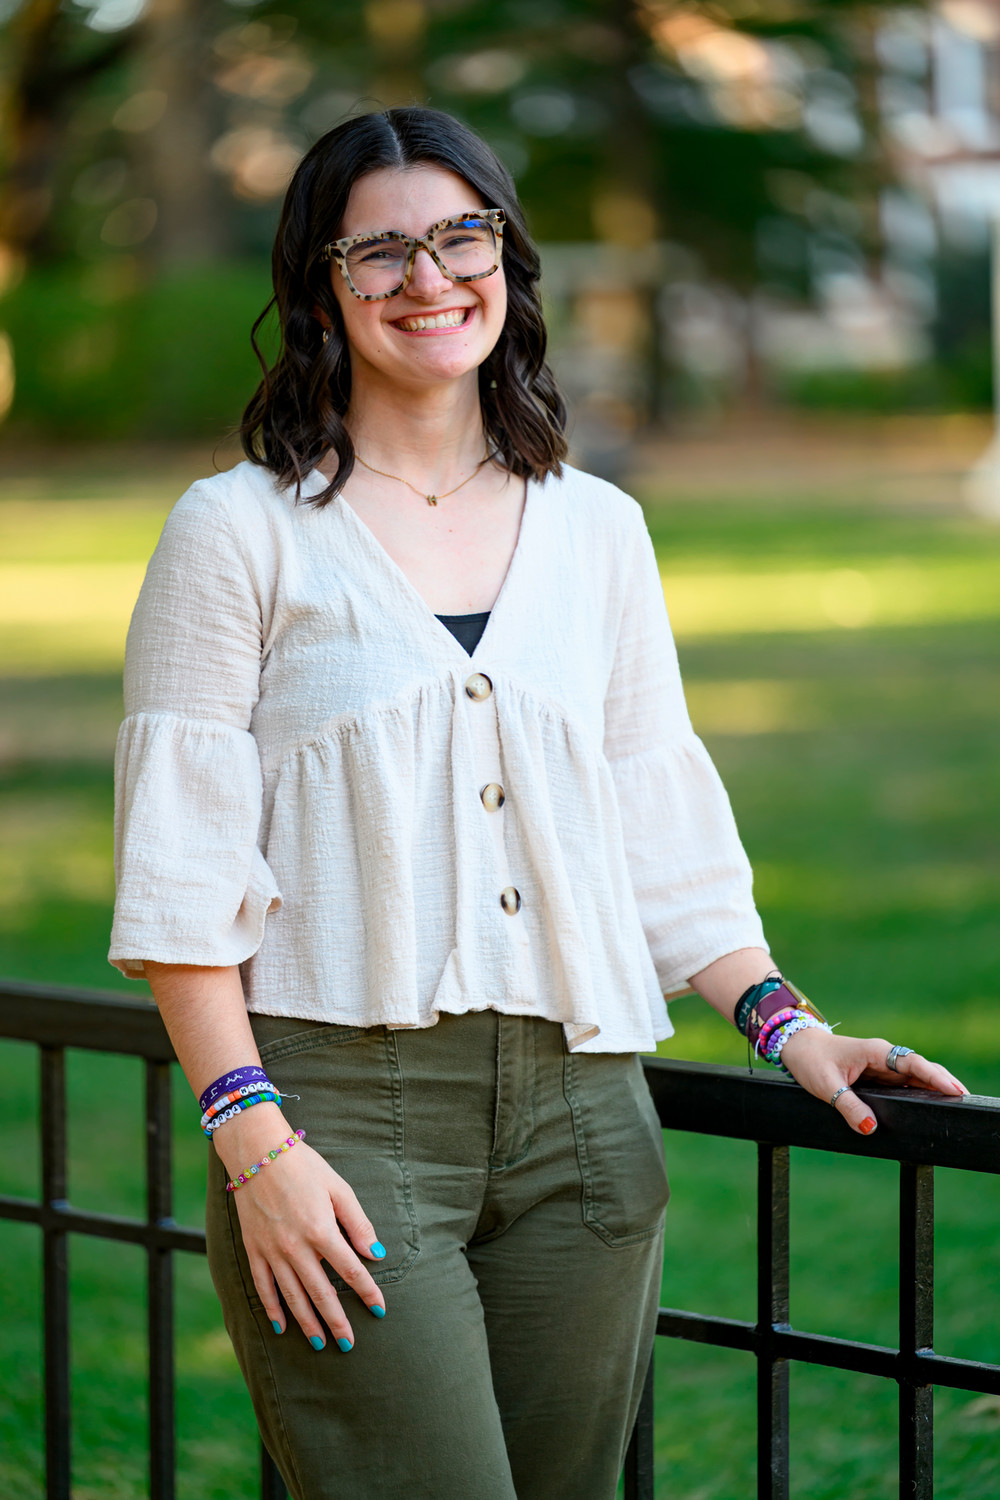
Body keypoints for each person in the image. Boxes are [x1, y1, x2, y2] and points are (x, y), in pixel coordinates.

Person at [108, 106, 968, 1500]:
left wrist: (786, 1023)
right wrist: (251, 1139)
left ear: (508, 257)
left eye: (462, 235)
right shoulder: (239, 531)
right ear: (322, 288)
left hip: (585, 1126)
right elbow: (179, 873)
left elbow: (656, 819)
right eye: (378, 250)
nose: (429, 279)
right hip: (340, 1120)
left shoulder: (598, 530)